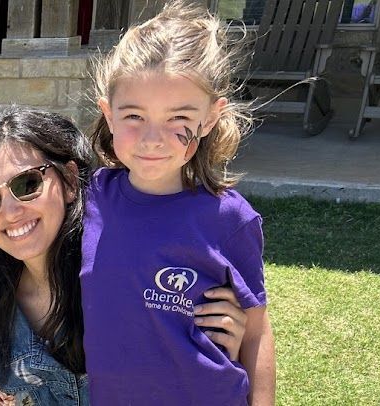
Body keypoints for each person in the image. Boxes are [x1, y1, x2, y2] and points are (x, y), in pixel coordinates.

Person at [0, 107, 249, 405]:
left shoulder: (132, 280)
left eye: (26, 183)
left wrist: (211, 353)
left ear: (69, 182)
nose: (10, 212)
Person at [84, 2, 276, 404]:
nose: (152, 139)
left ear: (209, 118)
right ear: (109, 113)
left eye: (178, 118)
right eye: (134, 115)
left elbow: (256, 331)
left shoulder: (230, 218)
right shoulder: (91, 197)